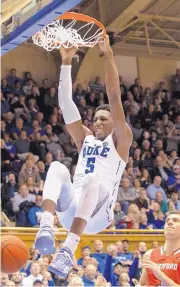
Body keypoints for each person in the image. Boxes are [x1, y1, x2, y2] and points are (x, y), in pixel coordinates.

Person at [35, 36, 132, 277]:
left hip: (98, 216)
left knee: (91, 180)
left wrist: (107, 54)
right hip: (71, 211)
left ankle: (68, 249)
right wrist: (66, 62)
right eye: (95, 118)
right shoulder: (85, 139)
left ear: (114, 123)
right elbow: (66, 104)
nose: (97, 122)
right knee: (57, 166)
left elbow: (114, 96)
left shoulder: (121, 139)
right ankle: (46, 224)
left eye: (103, 119)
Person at [139, 211, 180, 286]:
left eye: (175, 220)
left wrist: (161, 275)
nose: (170, 222)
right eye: (167, 220)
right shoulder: (149, 254)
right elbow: (142, 284)